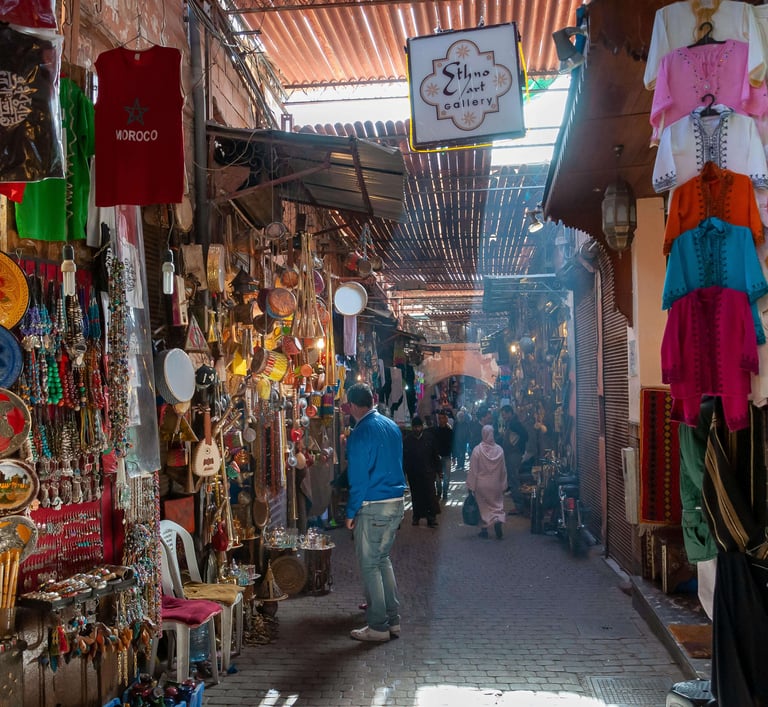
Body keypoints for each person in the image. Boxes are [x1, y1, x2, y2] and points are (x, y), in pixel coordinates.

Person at [345, 383, 407, 642]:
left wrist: (351, 511)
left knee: (371, 564)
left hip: (374, 505)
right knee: (382, 560)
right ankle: (393, 621)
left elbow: (358, 478)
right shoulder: (391, 426)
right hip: (396, 502)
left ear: (352, 406)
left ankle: (378, 625)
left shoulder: (360, 433)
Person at [467, 425, 507, 539]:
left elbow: (473, 470)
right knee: (496, 505)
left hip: (481, 485)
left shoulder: (477, 450)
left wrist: (471, 486)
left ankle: (484, 530)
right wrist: (503, 484)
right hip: (495, 484)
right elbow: (503, 470)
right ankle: (497, 520)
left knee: (482, 507)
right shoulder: (500, 450)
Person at [402, 416, 440, 527]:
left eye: (419, 427)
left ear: (422, 427)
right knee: (416, 496)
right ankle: (416, 516)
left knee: (430, 495)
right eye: (415, 427)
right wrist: (404, 473)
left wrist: (438, 470)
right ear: (412, 427)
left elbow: (435, 455)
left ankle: (431, 518)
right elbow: (404, 459)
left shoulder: (429, 438)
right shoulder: (407, 441)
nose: (417, 429)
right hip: (414, 474)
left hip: (428, 472)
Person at [496, 404, 529, 511]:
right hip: (512, 454)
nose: (503, 417)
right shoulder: (511, 422)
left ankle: (519, 506)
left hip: (514, 455)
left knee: (514, 479)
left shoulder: (514, 423)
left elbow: (525, 435)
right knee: (513, 479)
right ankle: (519, 505)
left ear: (510, 413)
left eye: (504, 415)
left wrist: (518, 446)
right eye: (502, 415)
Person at [430, 409, 454, 501]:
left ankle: (445, 493)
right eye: (439, 418)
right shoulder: (435, 430)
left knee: (446, 477)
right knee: (437, 478)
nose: (440, 420)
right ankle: (439, 492)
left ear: (445, 419)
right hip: (437, 457)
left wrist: (454, 456)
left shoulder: (450, 431)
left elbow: (452, 444)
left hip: (447, 456)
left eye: (442, 418)